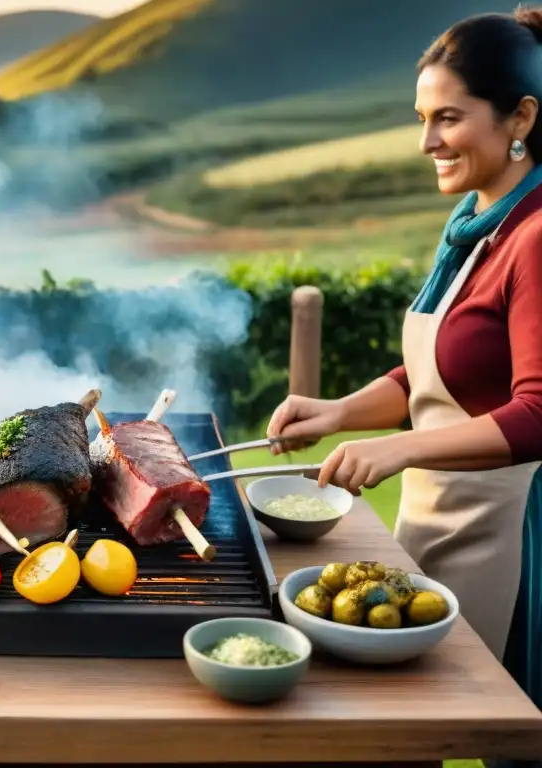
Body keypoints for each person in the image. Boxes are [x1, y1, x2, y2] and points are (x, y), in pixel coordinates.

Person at [267, 7, 542, 763]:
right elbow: (437, 370)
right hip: (436, 527)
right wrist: (339, 413)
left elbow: (538, 414)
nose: (427, 142)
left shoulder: (537, 235)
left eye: (447, 118)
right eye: (422, 119)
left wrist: (398, 452)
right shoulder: (476, 223)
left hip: (512, 538)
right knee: (413, 730)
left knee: (504, 738)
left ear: (520, 116)